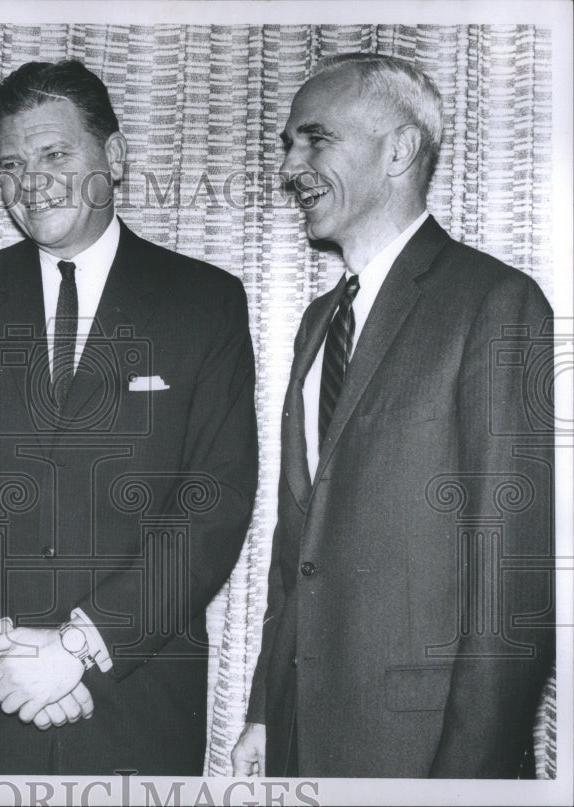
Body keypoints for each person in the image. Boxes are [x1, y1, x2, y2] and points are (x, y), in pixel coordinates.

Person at [0, 59, 257, 775]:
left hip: (135, 703)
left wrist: (79, 647)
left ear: (112, 157)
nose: (30, 181)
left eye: (55, 154)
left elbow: (215, 500)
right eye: (11, 163)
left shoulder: (205, 301)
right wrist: (0, 647)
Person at [232, 53, 554, 778]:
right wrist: (264, 707)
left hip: (425, 754)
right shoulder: (318, 321)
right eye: (289, 144)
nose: (291, 167)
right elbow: (297, 546)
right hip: (300, 741)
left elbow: (512, 586)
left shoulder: (496, 304)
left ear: (400, 149)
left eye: (315, 140)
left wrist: (466, 781)